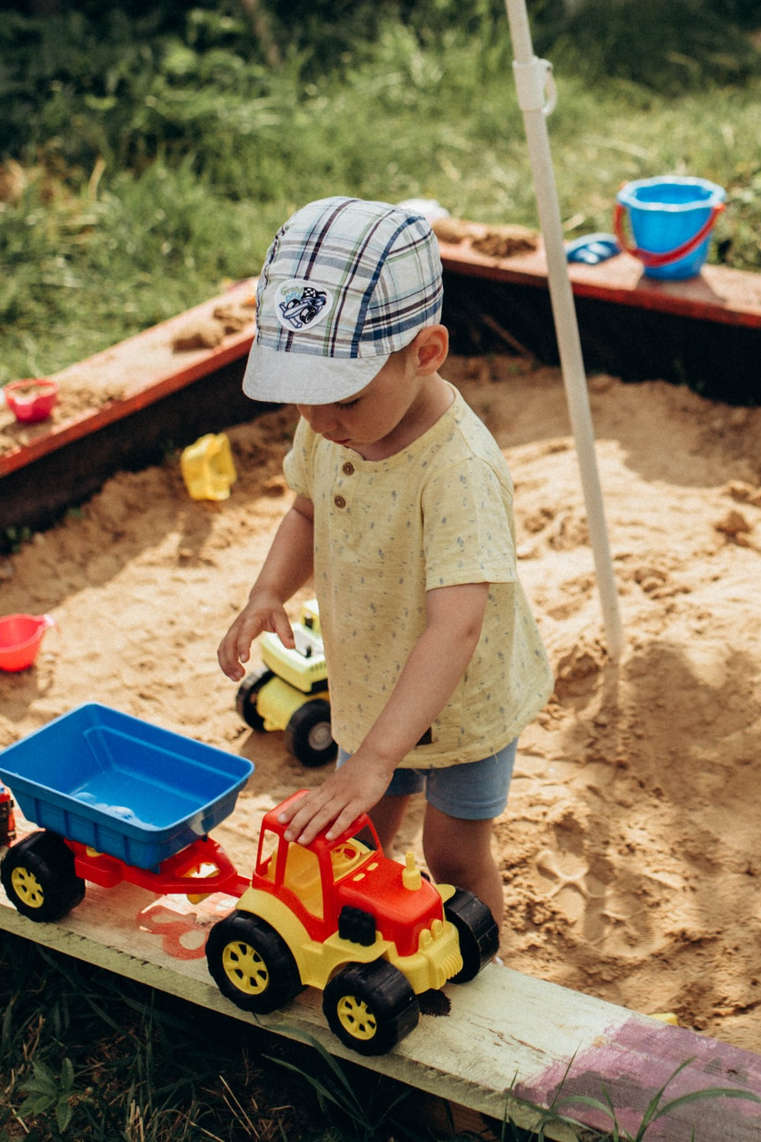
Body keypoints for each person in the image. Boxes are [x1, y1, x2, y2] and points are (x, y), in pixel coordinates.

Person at [217, 196, 549, 926]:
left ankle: (478, 964)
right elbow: (305, 508)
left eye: (342, 397)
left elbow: (456, 628)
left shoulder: (458, 468)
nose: (321, 421)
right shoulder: (332, 426)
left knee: (454, 857)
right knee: (356, 836)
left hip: (460, 701)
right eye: (301, 398)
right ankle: (366, 939)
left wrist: (376, 758)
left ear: (426, 353)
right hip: (369, 679)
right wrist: (267, 589)